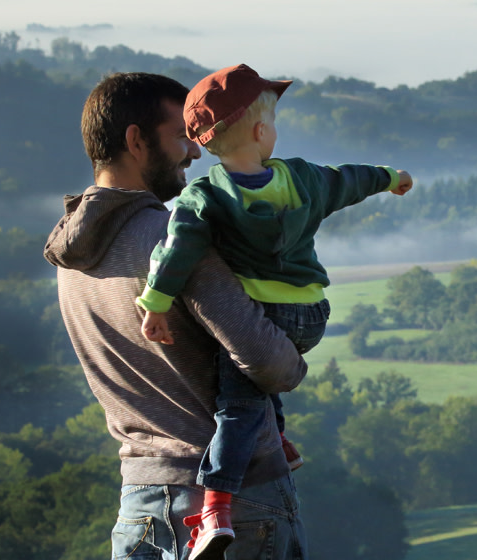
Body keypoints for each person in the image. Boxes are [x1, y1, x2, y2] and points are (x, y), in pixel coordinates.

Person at [131, 63, 412, 558]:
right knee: (255, 387)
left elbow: (176, 251)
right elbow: (349, 180)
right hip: (310, 316)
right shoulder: (304, 179)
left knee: (233, 404)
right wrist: (391, 177)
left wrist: (155, 303)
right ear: (262, 132)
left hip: (263, 317)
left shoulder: (205, 196)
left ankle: (215, 505)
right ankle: (277, 439)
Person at [45, 72, 309, 559]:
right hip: (236, 507)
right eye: (181, 136)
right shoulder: (175, 243)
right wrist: (295, 355)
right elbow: (267, 360)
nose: (194, 151)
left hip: (140, 508)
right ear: (135, 140)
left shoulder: (71, 256)